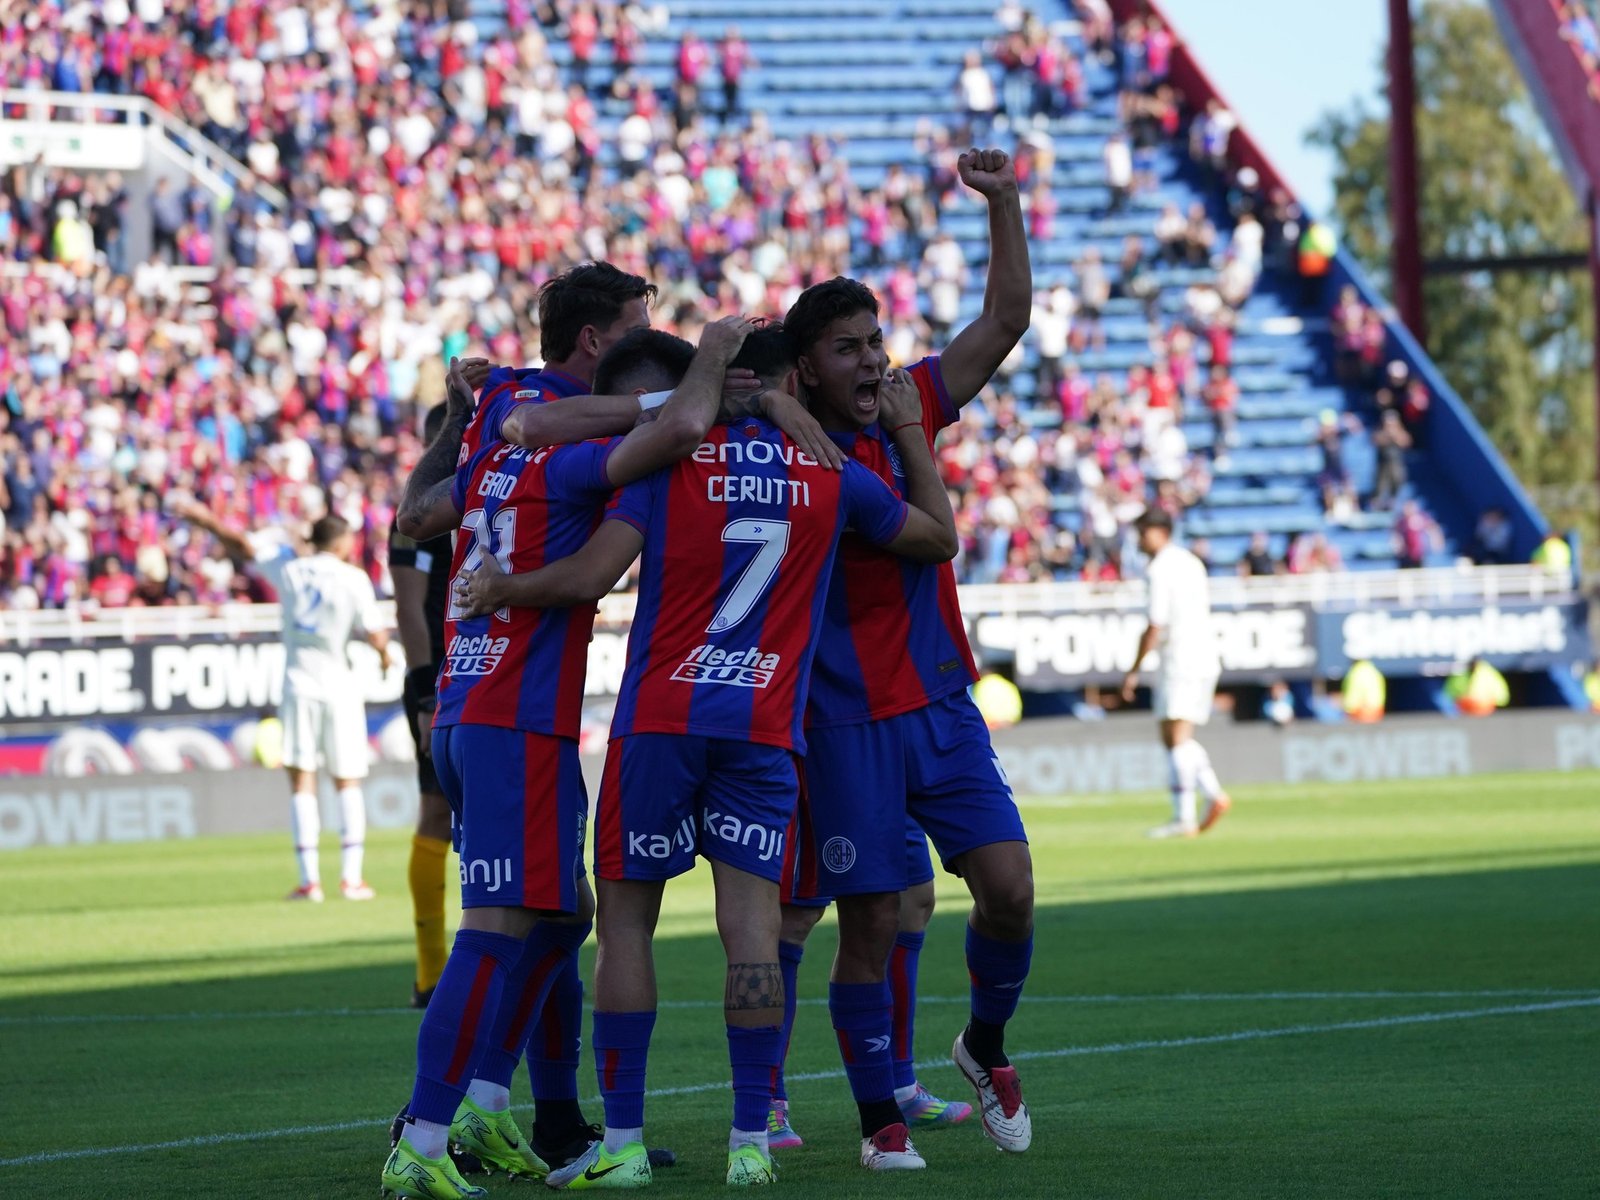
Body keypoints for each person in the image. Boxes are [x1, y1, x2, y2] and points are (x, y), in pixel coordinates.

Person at [453, 336, 960, 1188]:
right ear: (790, 379)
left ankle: (619, 1146)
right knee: (752, 932)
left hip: (660, 719)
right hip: (764, 724)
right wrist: (908, 435)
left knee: (624, 925)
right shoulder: (830, 470)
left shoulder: (670, 463)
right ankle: (750, 1143)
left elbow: (588, 578)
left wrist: (505, 589)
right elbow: (937, 538)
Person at [382, 320, 771, 1198]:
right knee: (493, 930)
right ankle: (424, 1134)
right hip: (514, 714)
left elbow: (414, 514)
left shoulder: (489, 460)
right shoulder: (579, 470)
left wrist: (458, 419)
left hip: (482, 710)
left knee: (562, 915)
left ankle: (489, 1102)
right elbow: (666, 436)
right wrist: (712, 367)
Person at [780, 145, 1036, 1168]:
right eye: (848, 346)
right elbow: (928, 535)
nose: (874, 359)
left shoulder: (913, 403)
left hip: (938, 704)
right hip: (845, 719)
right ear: (807, 367)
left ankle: (982, 1044)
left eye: (876, 339)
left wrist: (1004, 206)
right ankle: (878, 1122)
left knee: (1009, 888)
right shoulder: (799, 452)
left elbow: (1006, 321)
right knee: (872, 922)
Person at [171, 503, 392, 900]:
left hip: (298, 683)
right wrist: (385, 656)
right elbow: (375, 634)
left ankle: (310, 881)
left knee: (301, 779)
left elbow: (240, 544)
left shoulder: (289, 568)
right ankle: (351, 878)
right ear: (342, 542)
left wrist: (204, 518)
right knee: (347, 780)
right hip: (339, 684)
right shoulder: (353, 578)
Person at [390, 389, 483, 1009]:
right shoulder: (420, 514)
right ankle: (431, 973)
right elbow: (408, 606)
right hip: (441, 681)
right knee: (437, 816)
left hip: (483, 668)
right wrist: (426, 691)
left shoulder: (482, 493)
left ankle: (473, 962)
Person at [1120, 508, 1232, 839]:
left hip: (1180, 658)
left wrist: (1134, 670)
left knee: (1176, 738)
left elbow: (1156, 624)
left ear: (1158, 531)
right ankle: (1212, 794)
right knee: (1178, 736)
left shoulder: (1159, 569)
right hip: (1204, 654)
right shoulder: (1191, 561)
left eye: (1142, 532)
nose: (1139, 540)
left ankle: (1184, 816)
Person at [1341, 659, 1387, 723]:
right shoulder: (1374, 671)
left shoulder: (1356, 672)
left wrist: (1349, 709)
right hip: (1376, 708)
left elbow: (1354, 693)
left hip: (1361, 710)